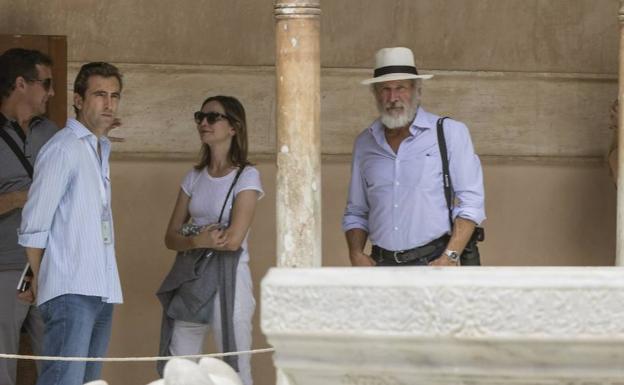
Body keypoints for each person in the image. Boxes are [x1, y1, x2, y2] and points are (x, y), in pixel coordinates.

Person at [18, 62, 124, 385]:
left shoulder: (98, 148)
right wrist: (41, 278)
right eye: (99, 95)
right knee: (63, 380)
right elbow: (33, 226)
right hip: (70, 289)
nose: (109, 104)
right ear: (78, 100)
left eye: (115, 96)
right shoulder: (63, 148)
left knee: (89, 382)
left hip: (102, 287)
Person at [343, 47, 485, 267]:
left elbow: (471, 202)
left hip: (433, 263)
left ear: (416, 90)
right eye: (385, 89)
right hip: (379, 266)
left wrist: (450, 256)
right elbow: (356, 210)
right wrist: (355, 253)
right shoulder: (365, 143)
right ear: (376, 94)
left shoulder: (449, 133)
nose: (393, 97)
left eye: (400, 87)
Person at [157, 95, 263, 385]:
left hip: (230, 279)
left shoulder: (247, 176)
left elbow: (233, 239)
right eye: (200, 117)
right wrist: (200, 238)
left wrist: (192, 235)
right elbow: (170, 236)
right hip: (193, 278)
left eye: (213, 117)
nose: (204, 123)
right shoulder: (193, 177)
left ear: (234, 127)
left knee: (236, 363)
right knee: (180, 365)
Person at [0, 48, 58, 385]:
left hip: (52, 265)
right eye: (45, 83)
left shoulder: (51, 132)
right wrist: (23, 197)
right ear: (21, 83)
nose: (51, 92)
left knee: (58, 360)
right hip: (7, 264)